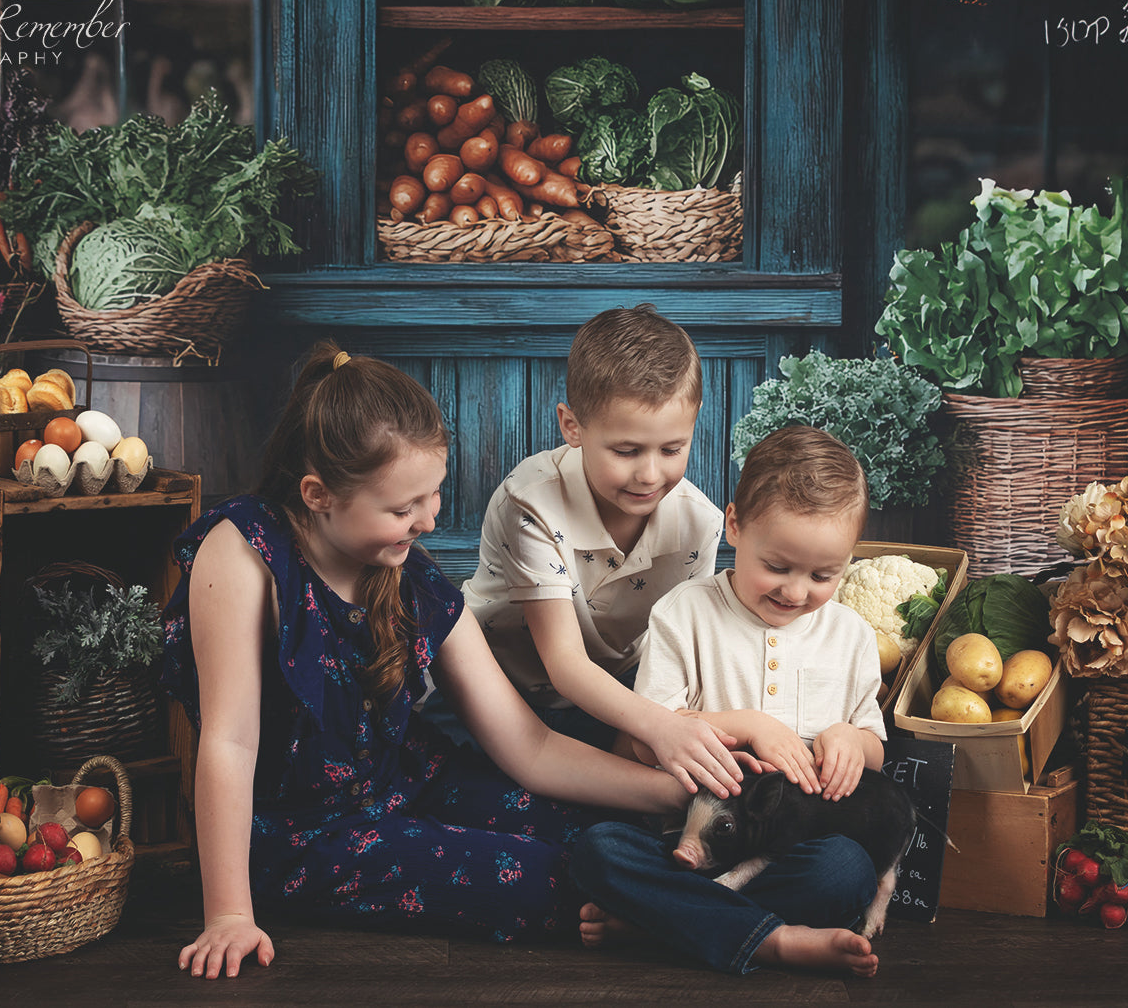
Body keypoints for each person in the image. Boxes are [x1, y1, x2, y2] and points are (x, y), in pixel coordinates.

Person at [162, 341, 720, 980]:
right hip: (302, 834)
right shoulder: (242, 555)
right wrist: (228, 914)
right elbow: (228, 744)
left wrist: (673, 798)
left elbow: (529, 746)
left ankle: (715, 894)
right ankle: (706, 919)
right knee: (560, 879)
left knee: (607, 833)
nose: (427, 521)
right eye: (403, 508)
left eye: (433, 497)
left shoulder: (409, 571)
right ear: (318, 494)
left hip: (410, 784)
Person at [573, 425, 889, 978]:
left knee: (845, 870)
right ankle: (773, 939)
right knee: (597, 848)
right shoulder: (685, 613)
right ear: (736, 525)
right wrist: (746, 726)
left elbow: (875, 750)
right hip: (688, 841)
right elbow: (648, 743)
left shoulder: (853, 636)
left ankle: (660, 924)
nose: (795, 592)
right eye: (777, 566)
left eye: (822, 575)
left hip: (783, 853)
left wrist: (852, 741)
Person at [424, 305, 743, 799]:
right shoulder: (529, 503)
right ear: (572, 427)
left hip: (616, 694)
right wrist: (660, 728)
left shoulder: (699, 523)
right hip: (498, 691)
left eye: (672, 449)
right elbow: (565, 662)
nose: (650, 474)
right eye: (626, 450)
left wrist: (681, 724)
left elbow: (681, 641)